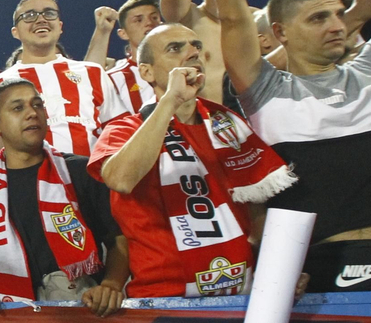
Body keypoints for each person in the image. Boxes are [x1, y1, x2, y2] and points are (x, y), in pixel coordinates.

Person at [204, 0, 371, 291]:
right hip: (309, 275)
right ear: (281, 33)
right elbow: (231, 8)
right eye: (319, 17)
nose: (337, 25)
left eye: (339, 13)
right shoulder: (264, 89)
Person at [90, 21, 292, 300]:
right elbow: (121, 180)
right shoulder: (125, 128)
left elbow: (256, 206)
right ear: (146, 71)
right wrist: (169, 102)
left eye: (196, 46)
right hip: (162, 300)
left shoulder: (226, 123)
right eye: (175, 48)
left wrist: (277, 271)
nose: (192, 53)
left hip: (241, 295)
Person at [0, 80, 127, 316]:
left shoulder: (80, 172)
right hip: (8, 312)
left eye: (37, 105)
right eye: (17, 108)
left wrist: (111, 285)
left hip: (83, 309)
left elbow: (118, 239)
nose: (32, 113)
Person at [0, 0, 120, 154]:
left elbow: (117, 128)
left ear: (60, 26)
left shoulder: (93, 72)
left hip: (89, 177)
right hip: (30, 179)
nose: (41, 19)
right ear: (15, 32)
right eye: (29, 15)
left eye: (49, 13)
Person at [89, 0, 163, 116]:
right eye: (138, 20)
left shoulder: (182, 67)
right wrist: (102, 31)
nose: (149, 23)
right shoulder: (114, 79)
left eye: (154, 18)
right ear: (123, 34)